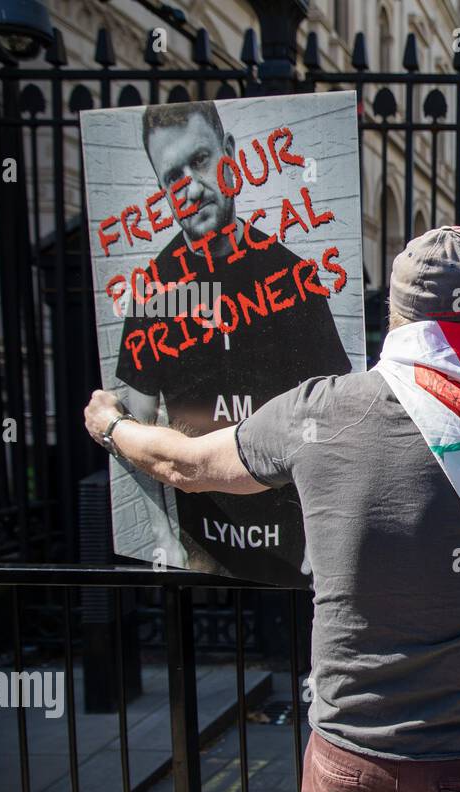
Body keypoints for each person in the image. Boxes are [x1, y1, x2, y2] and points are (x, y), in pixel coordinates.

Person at [84, 227, 460, 792]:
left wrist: (113, 425)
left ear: (392, 315)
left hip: (351, 770)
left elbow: (188, 465)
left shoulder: (317, 411)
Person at [113, 100, 352, 587]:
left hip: (292, 550)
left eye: (200, 161)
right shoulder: (152, 287)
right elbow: (136, 423)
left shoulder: (292, 275)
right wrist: (161, 536)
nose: (189, 188)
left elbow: (337, 413)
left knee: (288, 656)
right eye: (171, 176)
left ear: (229, 154)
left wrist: (321, 535)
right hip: (197, 555)